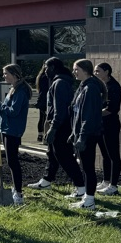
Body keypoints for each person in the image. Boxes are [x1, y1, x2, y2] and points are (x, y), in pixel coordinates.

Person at [27, 57, 85, 197]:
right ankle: (47, 179)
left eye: (46, 68)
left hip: (61, 125)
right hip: (60, 123)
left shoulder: (59, 83)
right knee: (52, 153)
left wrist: (53, 128)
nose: (45, 71)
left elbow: (60, 109)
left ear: (53, 68)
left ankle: (81, 186)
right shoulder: (59, 82)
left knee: (64, 156)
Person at [68, 59, 107, 210]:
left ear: (85, 70)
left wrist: (82, 136)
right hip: (82, 133)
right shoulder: (83, 86)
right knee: (85, 166)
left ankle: (89, 200)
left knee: (88, 167)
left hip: (88, 134)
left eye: (76, 69)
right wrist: (74, 133)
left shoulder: (90, 88)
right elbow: (76, 112)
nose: (74, 72)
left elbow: (88, 116)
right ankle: (86, 197)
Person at [0, 64, 31, 205]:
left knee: (13, 161)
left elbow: (14, 111)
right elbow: (7, 109)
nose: (4, 76)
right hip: (7, 128)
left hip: (13, 130)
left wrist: (0, 105)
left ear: (14, 74)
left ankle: (19, 193)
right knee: (11, 160)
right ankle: (16, 189)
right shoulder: (13, 89)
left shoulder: (20, 91)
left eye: (6, 73)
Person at [95, 62, 121, 195]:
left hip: (110, 124)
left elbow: (112, 109)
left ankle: (113, 185)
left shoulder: (114, 87)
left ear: (106, 72)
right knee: (105, 154)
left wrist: (93, 112)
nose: (96, 74)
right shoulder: (101, 85)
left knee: (113, 155)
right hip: (101, 124)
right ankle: (106, 181)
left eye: (98, 71)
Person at [35, 63, 50, 143]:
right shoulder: (46, 77)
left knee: (42, 118)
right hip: (45, 100)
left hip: (41, 100)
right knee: (46, 119)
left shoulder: (40, 76)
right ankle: (45, 136)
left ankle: (40, 134)